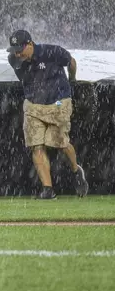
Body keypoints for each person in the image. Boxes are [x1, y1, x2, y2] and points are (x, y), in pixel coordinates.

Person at [7, 30, 89, 199]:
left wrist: (72, 80)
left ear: (30, 44)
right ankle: (48, 190)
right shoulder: (14, 59)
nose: (17, 53)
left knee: (60, 143)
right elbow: (26, 79)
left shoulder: (52, 51)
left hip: (58, 102)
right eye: (14, 50)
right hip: (33, 105)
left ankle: (76, 170)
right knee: (36, 145)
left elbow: (71, 62)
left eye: (20, 49)